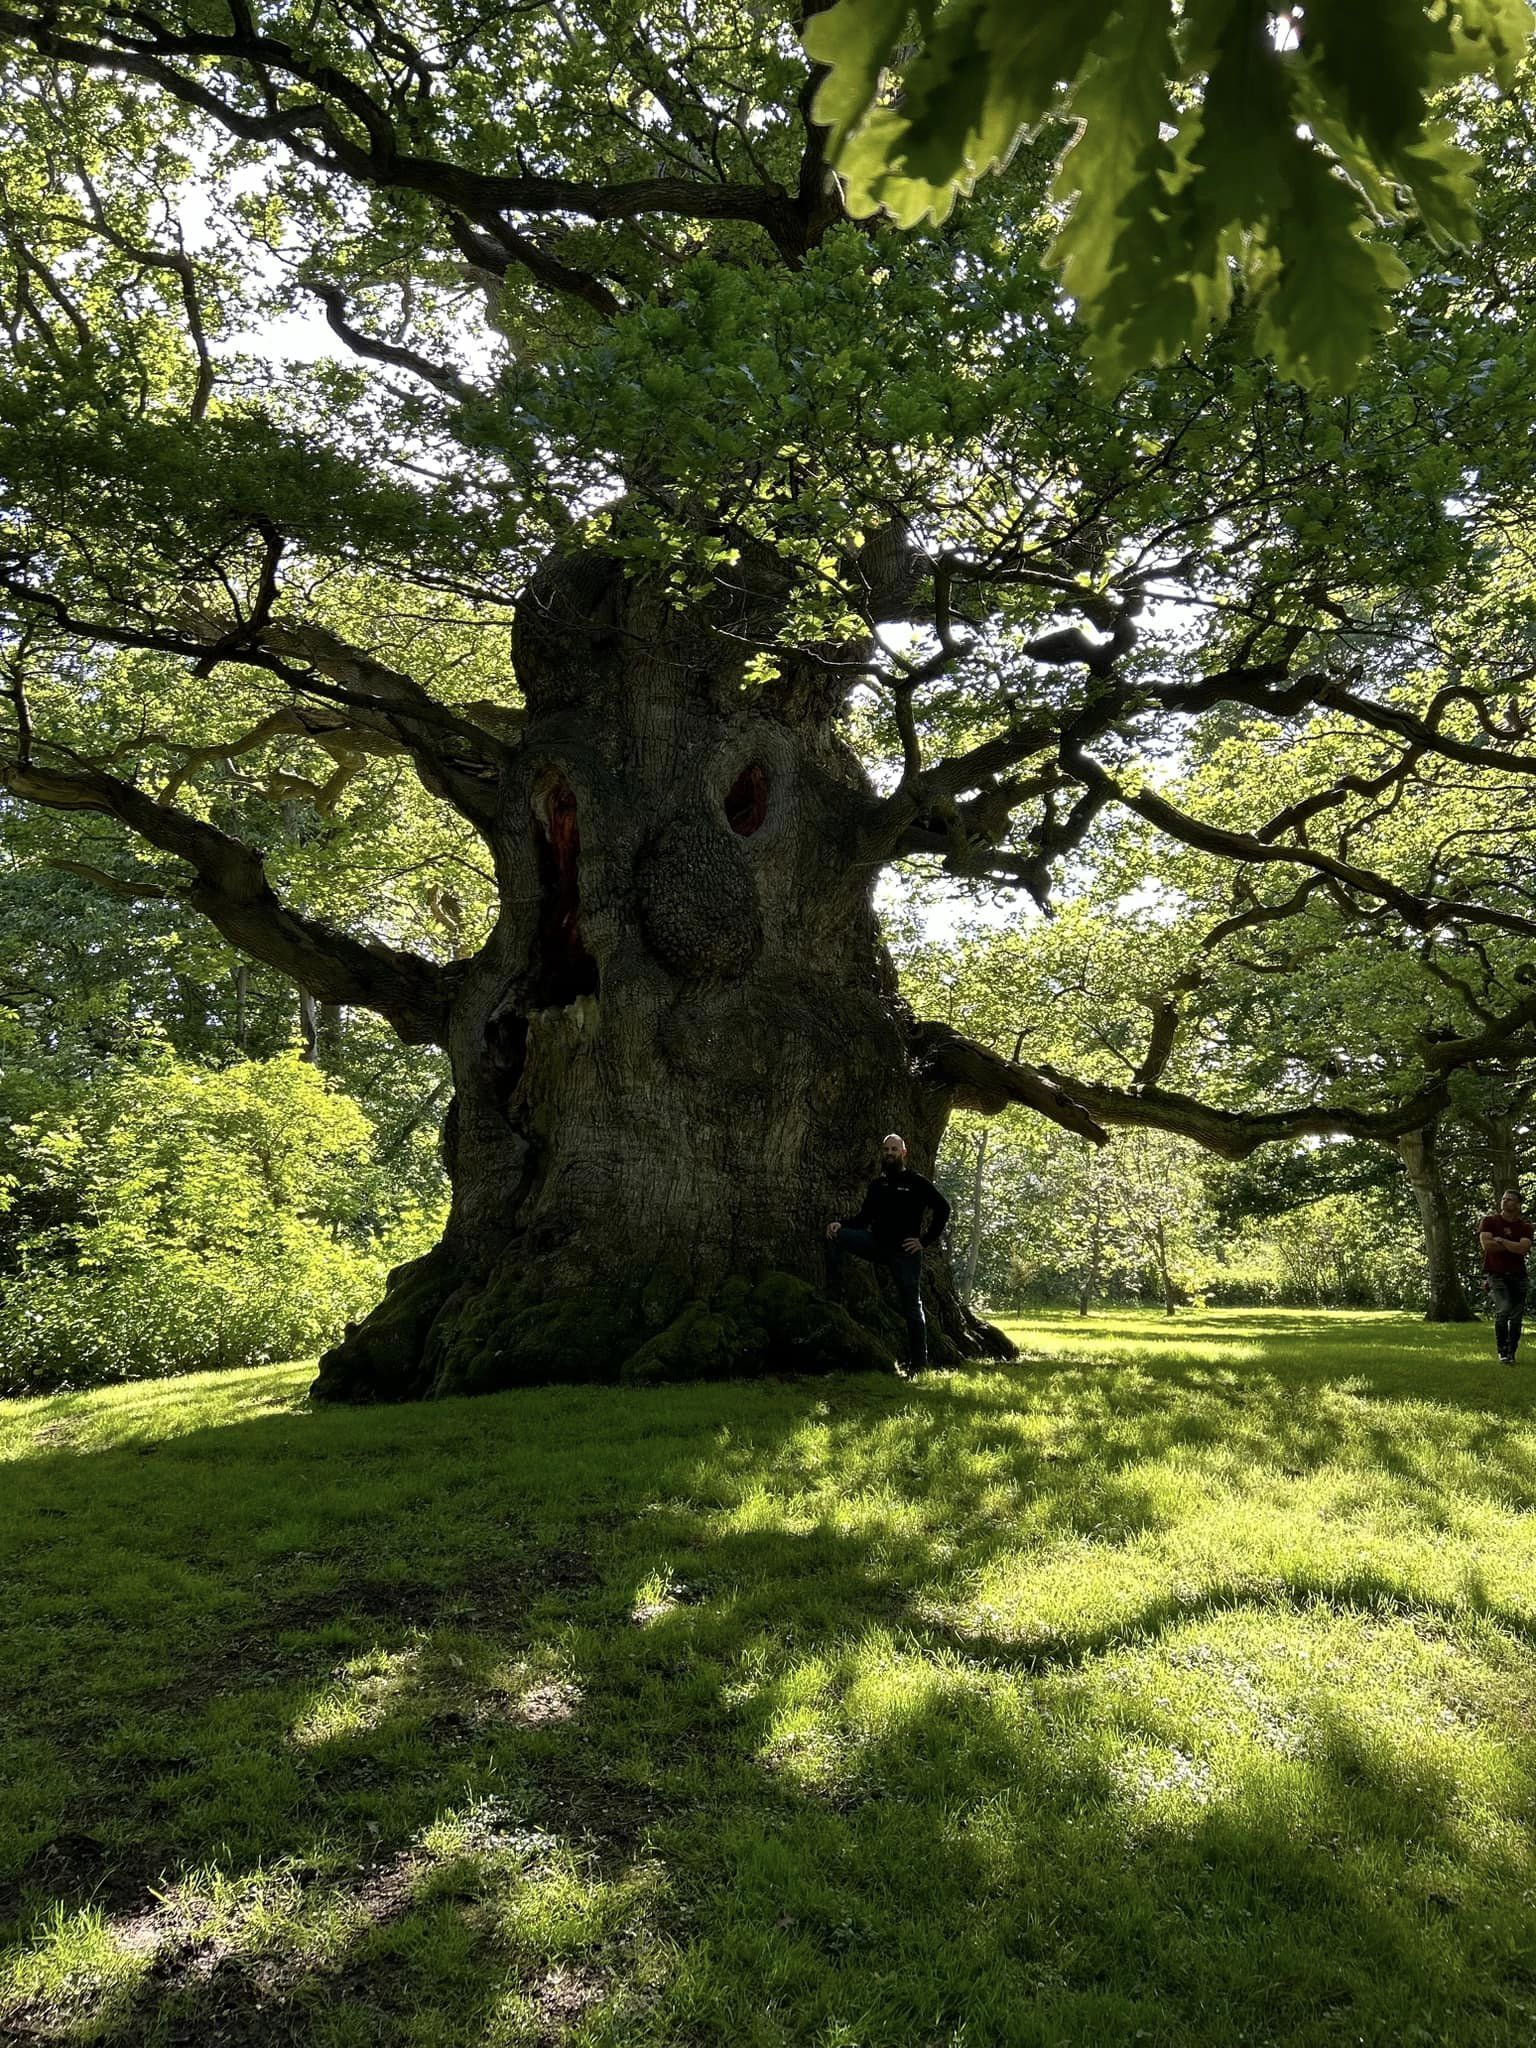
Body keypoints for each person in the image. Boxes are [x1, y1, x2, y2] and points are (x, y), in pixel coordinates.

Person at [826, 1132, 951, 1374]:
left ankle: (919, 1364)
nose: (890, 1154)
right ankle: (834, 1293)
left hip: (905, 1252)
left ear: (903, 1153)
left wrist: (924, 1241)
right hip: (875, 1243)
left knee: (912, 1307)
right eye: (886, 1150)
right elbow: (863, 1218)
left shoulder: (917, 1182)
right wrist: (841, 1224)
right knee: (836, 1235)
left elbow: (943, 1209)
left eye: (894, 1149)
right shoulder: (878, 1185)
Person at [1479, 1188, 1534, 1365]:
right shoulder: (1489, 1221)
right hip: (1496, 1275)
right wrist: (1513, 1246)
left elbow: (1523, 1248)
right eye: (1504, 1198)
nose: (1505, 1201)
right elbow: (1487, 1245)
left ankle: (1511, 1353)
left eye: (1510, 1199)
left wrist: (1502, 1241)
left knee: (1516, 1318)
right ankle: (1502, 1351)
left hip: (1519, 1277)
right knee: (1503, 1310)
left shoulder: (1525, 1227)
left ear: (1518, 1205)